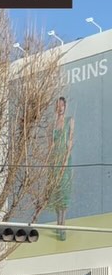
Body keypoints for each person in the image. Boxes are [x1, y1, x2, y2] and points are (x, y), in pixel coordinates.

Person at [48, 96, 75, 239]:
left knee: (64, 192)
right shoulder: (52, 124)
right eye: (57, 105)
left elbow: (70, 142)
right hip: (54, 161)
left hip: (64, 160)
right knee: (56, 192)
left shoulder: (70, 120)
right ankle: (58, 224)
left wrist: (65, 161)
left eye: (62, 105)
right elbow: (50, 145)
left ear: (65, 106)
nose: (60, 108)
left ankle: (63, 225)